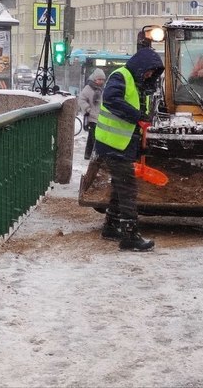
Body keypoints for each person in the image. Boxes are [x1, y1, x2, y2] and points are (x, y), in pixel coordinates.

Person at [94, 47, 164, 252]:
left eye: (153, 73)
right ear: (141, 66)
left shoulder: (141, 86)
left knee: (119, 186)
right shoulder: (121, 77)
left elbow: (140, 122)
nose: (150, 75)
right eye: (149, 71)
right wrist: (136, 115)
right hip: (112, 143)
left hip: (122, 144)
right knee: (127, 189)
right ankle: (130, 235)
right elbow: (111, 99)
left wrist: (141, 148)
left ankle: (111, 226)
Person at [78, 68, 106, 160]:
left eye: (102, 79)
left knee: (92, 137)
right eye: (99, 79)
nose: (101, 81)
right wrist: (88, 109)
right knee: (95, 137)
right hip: (92, 117)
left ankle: (88, 154)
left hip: (100, 117)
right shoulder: (88, 88)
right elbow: (81, 99)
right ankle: (95, 156)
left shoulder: (103, 89)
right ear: (94, 79)